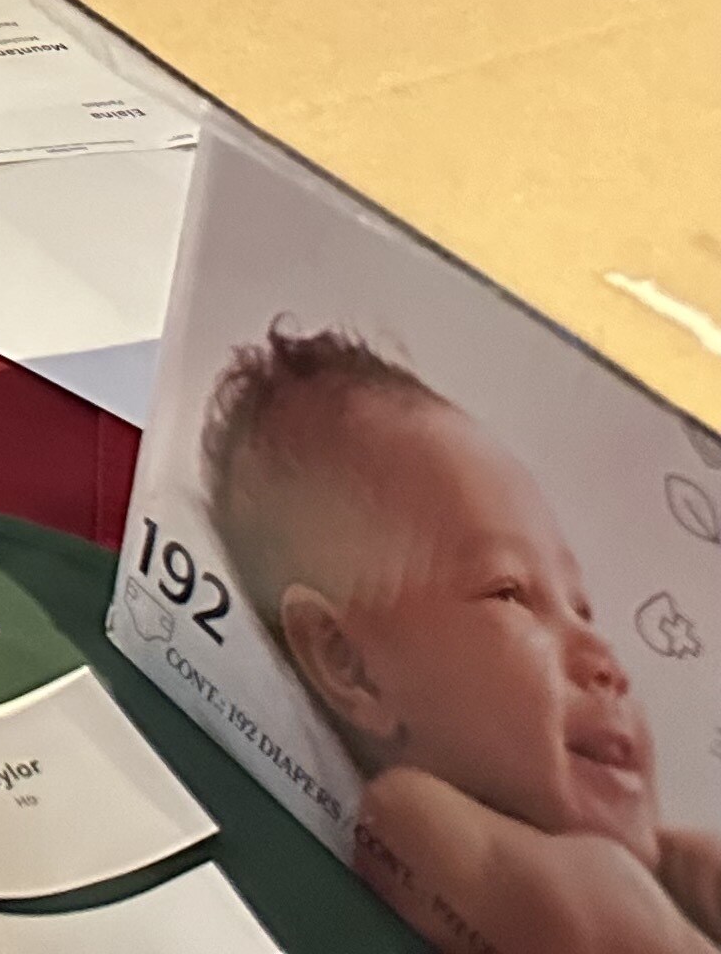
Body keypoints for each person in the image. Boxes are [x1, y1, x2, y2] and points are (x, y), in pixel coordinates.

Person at [204, 327, 721, 954]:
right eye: (509, 593)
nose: (605, 664)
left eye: (584, 609)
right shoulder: (412, 823)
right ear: (349, 665)